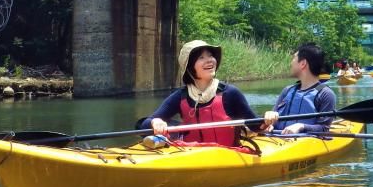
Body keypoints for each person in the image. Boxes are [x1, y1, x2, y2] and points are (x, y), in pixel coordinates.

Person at [139, 40, 275, 146]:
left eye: (210, 56)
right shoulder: (180, 96)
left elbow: (256, 125)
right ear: (190, 67)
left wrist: (267, 118)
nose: (209, 60)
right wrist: (155, 122)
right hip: (192, 154)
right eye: (202, 57)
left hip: (227, 154)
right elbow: (145, 125)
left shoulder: (230, 93)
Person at [263, 43, 336, 135]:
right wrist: (269, 120)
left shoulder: (325, 94)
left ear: (303, 64)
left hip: (303, 143)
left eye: (294, 58)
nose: (291, 62)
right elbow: (273, 116)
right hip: (275, 139)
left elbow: (324, 128)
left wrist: (301, 126)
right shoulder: (287, 90)